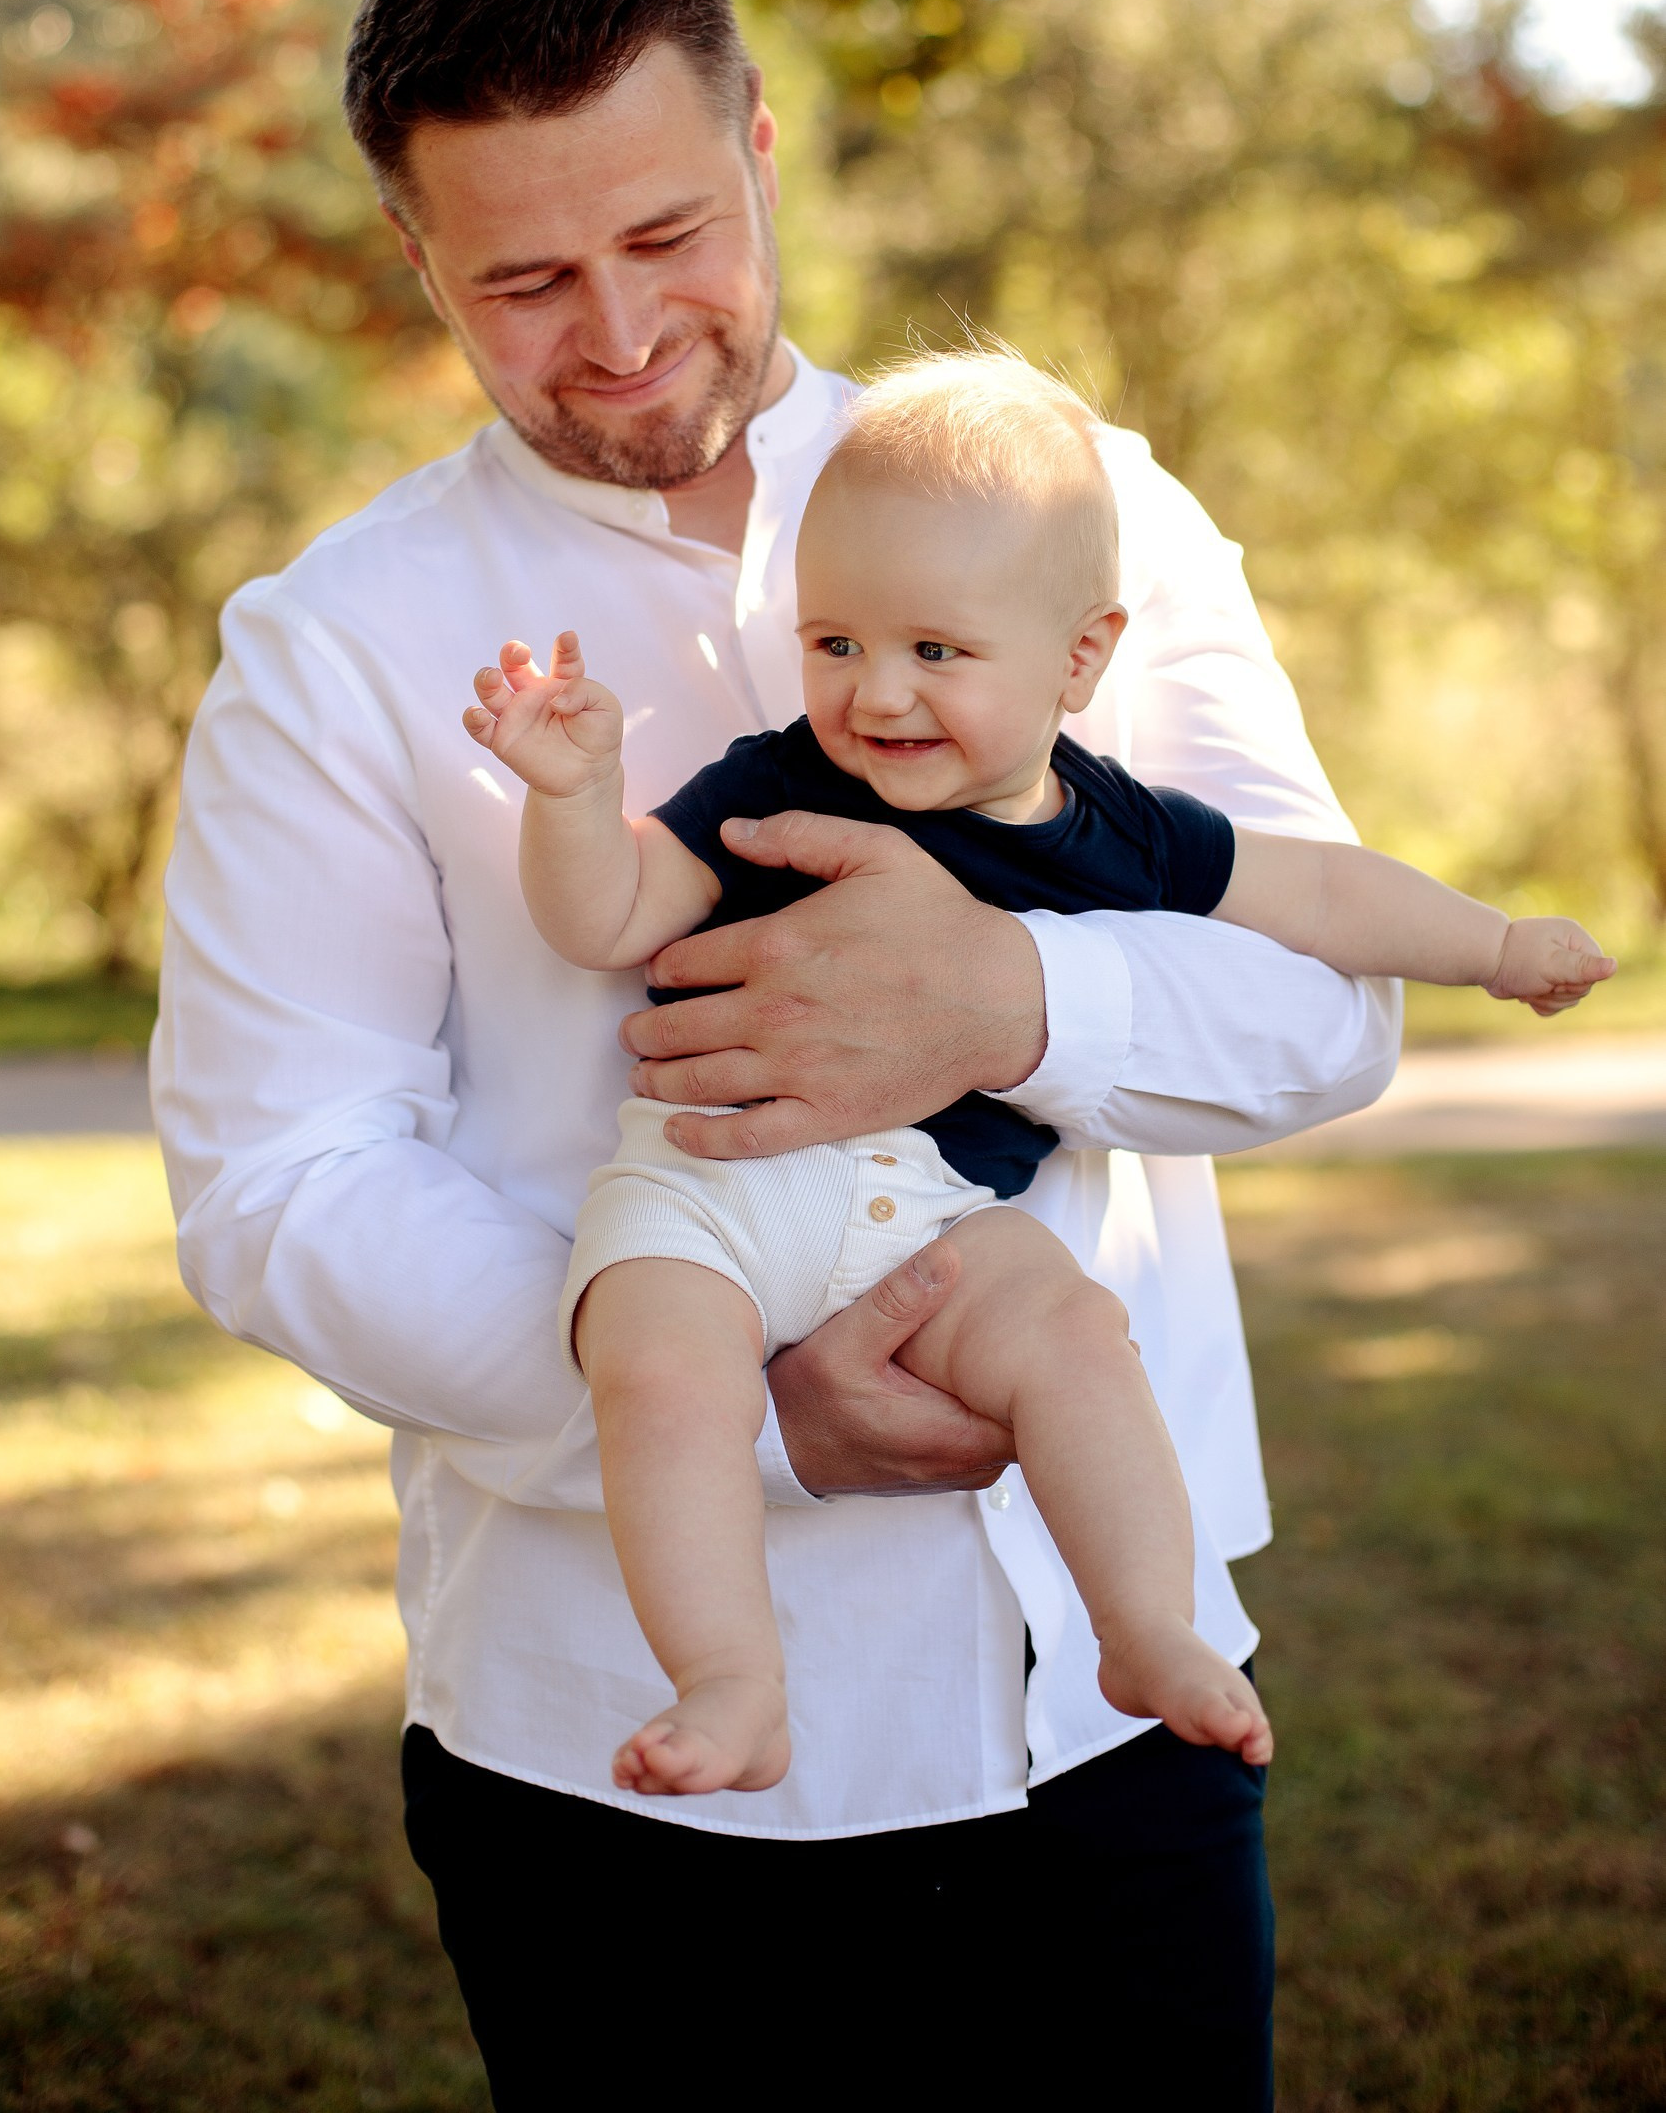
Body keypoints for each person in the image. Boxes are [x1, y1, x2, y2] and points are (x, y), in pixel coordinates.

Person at [155, 0, 1408, 2108]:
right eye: (524, 281)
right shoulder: (330, 641)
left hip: (1103, 1716)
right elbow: (278, 1181)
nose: (619, 334)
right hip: (607, 1768)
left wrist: (1008, 999)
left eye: (663, 233)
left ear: (755, 152)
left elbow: (1322, 1006)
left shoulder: (1086, 506)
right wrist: (753, 1407)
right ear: (417, 265)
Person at [463, 350, 1610, 1804]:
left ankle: (1144, 1632)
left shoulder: (1124, 829)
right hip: (712, 1182)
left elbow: (1322, 901)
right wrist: (571, 801)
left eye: (937, 653)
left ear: (1078, 658)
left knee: (1075, 1331)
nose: (876, 694)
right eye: (837, 644)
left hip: (935, 1215)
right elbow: (608, 917)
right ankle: (732, 1681)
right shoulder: (771, 782)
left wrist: (1497, 944)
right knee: (658, 1371)